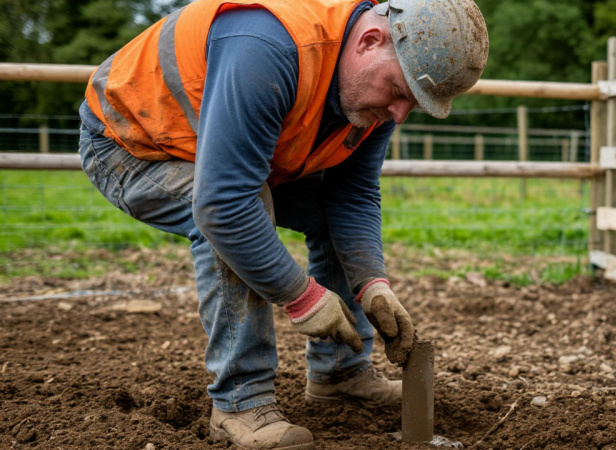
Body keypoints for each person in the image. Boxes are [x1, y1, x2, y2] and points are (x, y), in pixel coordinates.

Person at [77, 0, 488, 448]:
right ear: (371, 41)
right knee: (238, 215)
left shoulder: (374, 95)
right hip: (132, 143)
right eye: (399, 91)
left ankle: (340, 375)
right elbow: (223, 203)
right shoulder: (266, 44)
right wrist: (302, 296)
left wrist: (372, 283)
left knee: (264, 202)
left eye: (413, 103)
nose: (400, 114)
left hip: (236, 161)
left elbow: (351, 195)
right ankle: (240, 402)